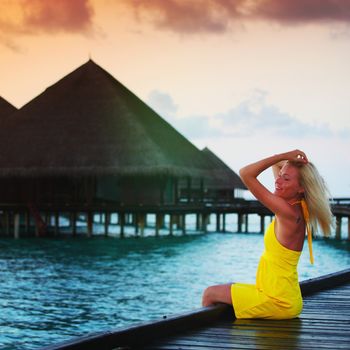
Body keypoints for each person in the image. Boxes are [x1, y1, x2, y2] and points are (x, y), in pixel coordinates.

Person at [202, 150, 333, 319]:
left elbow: (246, 173)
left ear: (301, 188)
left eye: (286, 179)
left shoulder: (287, 212)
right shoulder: (296, 206)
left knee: (210, 293)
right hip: (283, 297)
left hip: (277, 300)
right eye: (280, 175)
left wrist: (284, 156)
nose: (278, 181)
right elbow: (277, 169)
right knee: (228, 287)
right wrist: (288, 161)